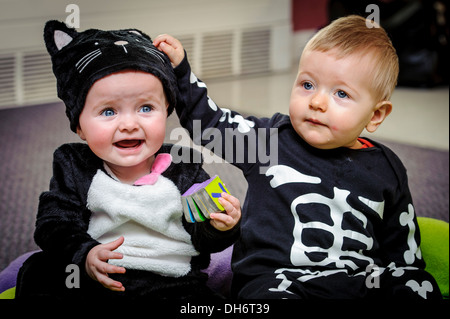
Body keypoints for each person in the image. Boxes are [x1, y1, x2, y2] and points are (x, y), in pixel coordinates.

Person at [153, 15, 442, 299]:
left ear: (376, 115)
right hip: (279, 280)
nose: (316, 102)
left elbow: (402, 247)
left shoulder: (387, 168)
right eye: (307, 85)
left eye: (341, 93)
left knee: (416, 283)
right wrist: (181, 71)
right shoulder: (268, 141)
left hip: (359, 281)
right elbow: (210, 124)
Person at [16, 20, 241, 299]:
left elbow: (202, 235)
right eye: (109, 112)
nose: (129, 124)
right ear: (79, 127)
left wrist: (220, 225)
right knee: (39, 272)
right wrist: (84, 254)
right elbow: (54, 223)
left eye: (146, 108)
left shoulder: (184, 165)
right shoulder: (73, 165)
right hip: (98, 277)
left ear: (167, 111)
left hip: (171, 283)